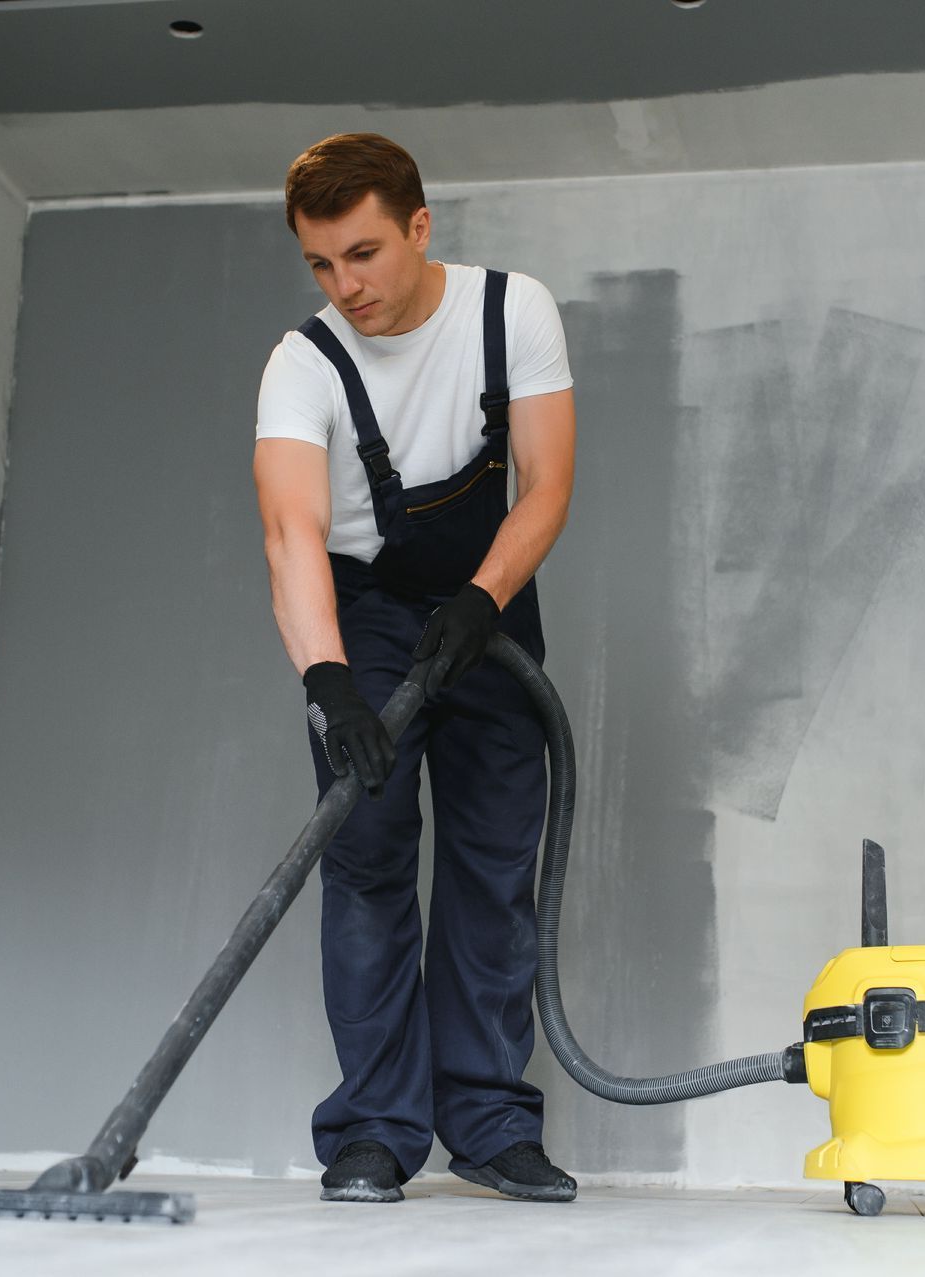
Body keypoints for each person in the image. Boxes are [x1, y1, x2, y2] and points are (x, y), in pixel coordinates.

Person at [252, 133, 578, 1204]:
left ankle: (486, 1120)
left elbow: (543, 485)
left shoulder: (510, 312)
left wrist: (485, 602)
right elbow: (294, 533)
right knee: (368, 865)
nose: (347, 287)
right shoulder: (303, 364)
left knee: (493, 862)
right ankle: (376, 1130)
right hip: (364, 616)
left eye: (364, 253)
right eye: (321, 265)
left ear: (421, 227)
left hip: (491, 599)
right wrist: (328, 682)